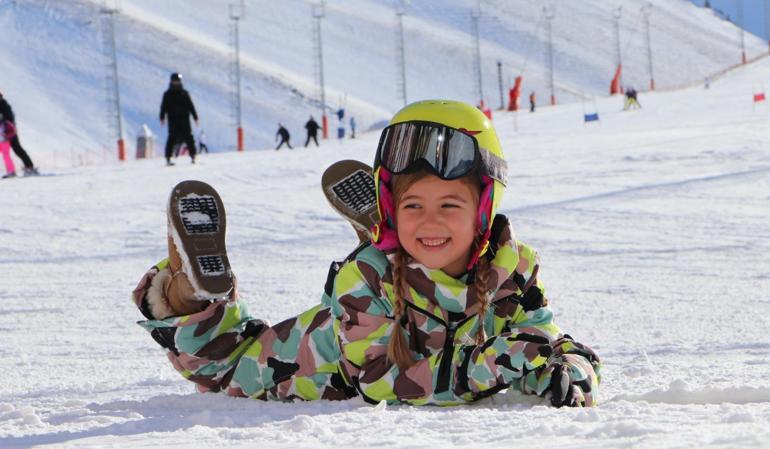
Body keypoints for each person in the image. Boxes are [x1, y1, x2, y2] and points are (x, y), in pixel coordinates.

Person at [132, 99, 601, 407]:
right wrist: (497, 361)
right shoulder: (362, 279)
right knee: (220, 362)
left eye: (449, 205)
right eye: (412, 206)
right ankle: (188, 288)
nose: (432, 220)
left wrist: (568, 373)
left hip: (391, 300)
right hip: (290, 364)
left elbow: (553, 344)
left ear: (483, 210)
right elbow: (383, 381)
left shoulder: (512, 271)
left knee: (406, 262)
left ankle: (388, 236)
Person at [160, 73, 198, 166]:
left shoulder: (184, 93)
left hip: (184, 120)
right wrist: (162, 117)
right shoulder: (167, 94)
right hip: (173, 120)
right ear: (172, 81)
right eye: (175, 81)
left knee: (189, 137)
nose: (176, 83)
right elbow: (163, 107)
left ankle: (193, 156)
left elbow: (191, 106)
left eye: (178, 81)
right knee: (172, 138)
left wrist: (195, 117)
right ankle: (168, 158)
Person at [0, 92, 38, 175]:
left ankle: (29, 168)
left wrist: (8, 127)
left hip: (8, 132)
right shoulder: (4, 105)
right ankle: (23, 168)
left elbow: (9, 119)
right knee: (15, 151)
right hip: (5, 133)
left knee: (17, 150)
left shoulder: (4, 106)